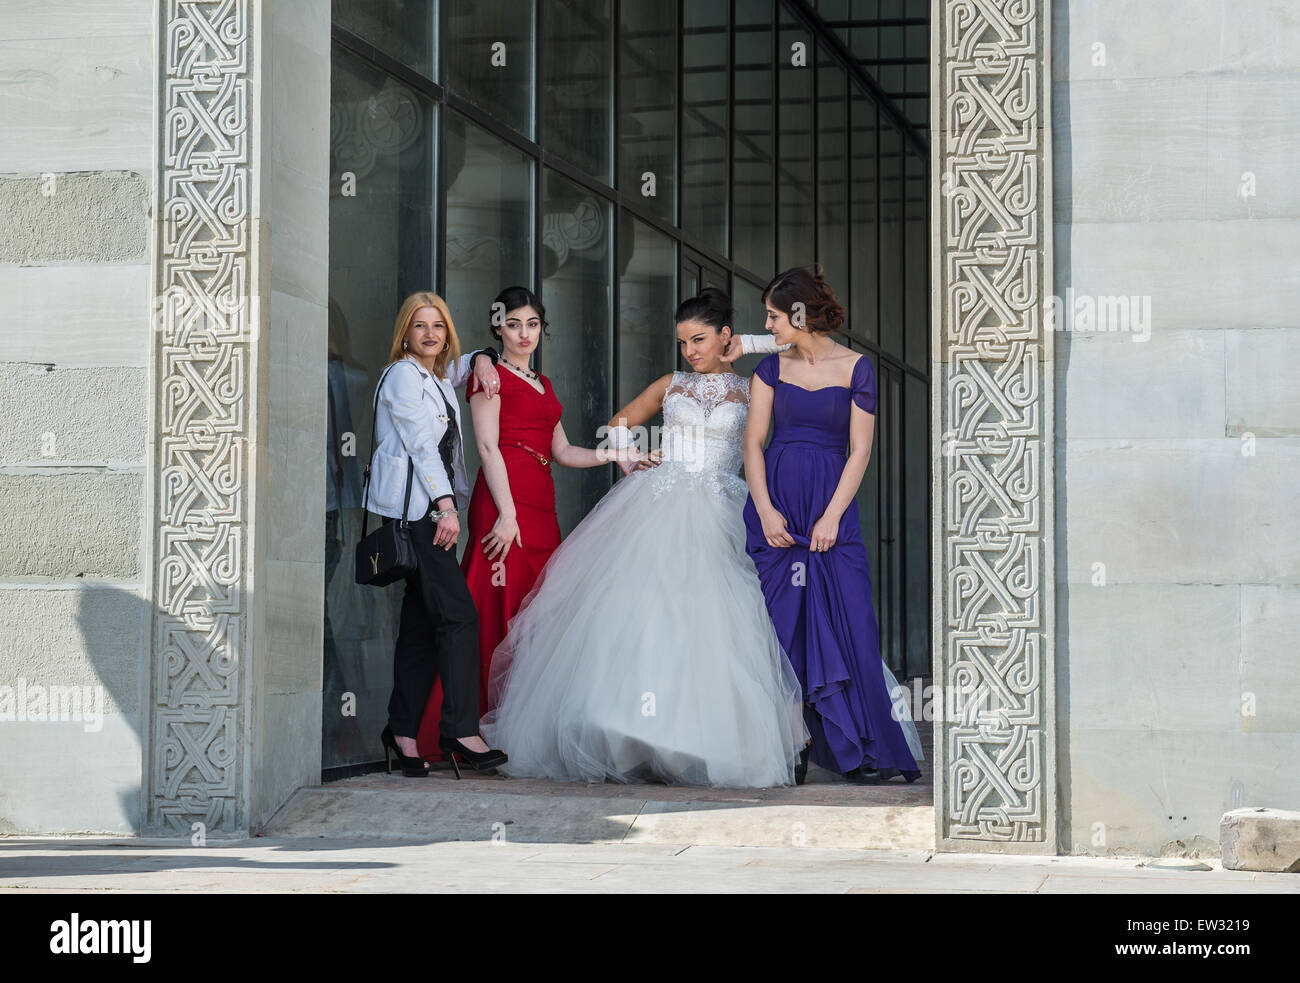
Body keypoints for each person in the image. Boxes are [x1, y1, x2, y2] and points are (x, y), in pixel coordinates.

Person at [480, 288, 809, 788]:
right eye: (682, 342)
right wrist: (633, 458)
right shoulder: (671, 383)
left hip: (723, 507)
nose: (690, 352)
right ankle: (632, 733)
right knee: (644, 614)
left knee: (715, 618)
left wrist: (750, 342)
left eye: (699, 339)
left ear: (724, 335)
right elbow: (617, 423)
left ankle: (698, 741)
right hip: (660, 501)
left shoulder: (753, 388)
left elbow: (801, 347)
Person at [415, 286, 637, 759]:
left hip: (542, 506)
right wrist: (508, 515)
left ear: (542, 328)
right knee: (496, 607)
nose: (523, 333)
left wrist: (612, 455)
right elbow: (488, 447)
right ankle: (462, 728)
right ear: (498, 328)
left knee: (536, 616)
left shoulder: (544, 384)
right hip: (504, 505)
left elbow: (561, 451)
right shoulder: (489, 376)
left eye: (532, 324)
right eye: (513, 324)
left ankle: (519, 726)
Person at [741, 267, 923, 784]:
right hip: (776, 510)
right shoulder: (770, 371)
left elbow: (860, 449)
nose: (768, 325)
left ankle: (866, 751)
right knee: (784, 630)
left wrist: (832, 516)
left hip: (832, 511)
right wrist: (766, 509)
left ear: (798, 314)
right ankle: (795, 744)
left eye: (773, 316)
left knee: (853, 627)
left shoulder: (857, 368)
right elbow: (753, 443)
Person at [366, 290, 507, 778]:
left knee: (421, 629)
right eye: (421, 325)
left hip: (429, 512)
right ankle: (459, 728)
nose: (430, 334)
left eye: (439, 326)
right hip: (418, 515)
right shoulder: (404, 377)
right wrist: (446, 507)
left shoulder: (435, 374)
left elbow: (464, 363)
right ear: (405, 333)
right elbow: (422, 446)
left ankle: (402, 732)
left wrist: (487, 357)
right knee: (460, 617)